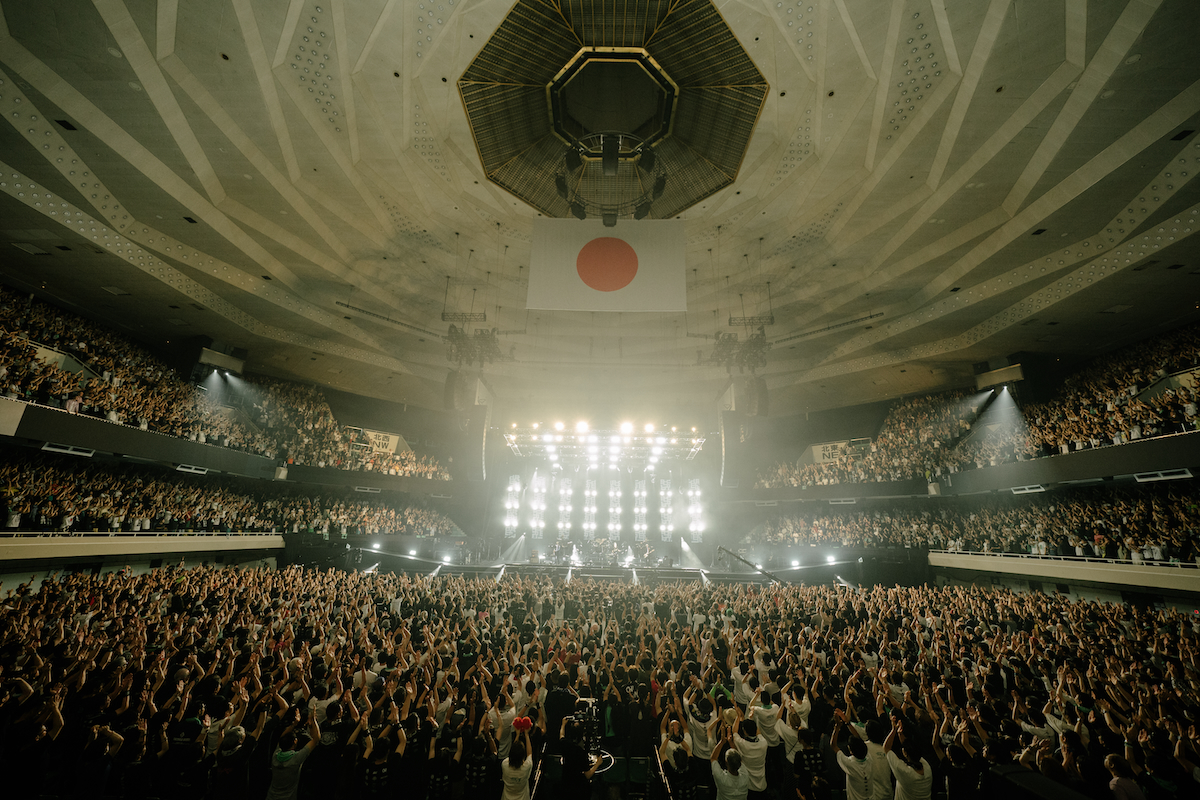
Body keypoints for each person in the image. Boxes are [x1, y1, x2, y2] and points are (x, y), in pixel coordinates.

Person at [265, 716, 320, 800]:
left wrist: (293, 725)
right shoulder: (296, 758)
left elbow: (282, 737)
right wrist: (313, 720)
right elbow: (316, 739)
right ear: (295, 742)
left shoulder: (276, 755)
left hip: (271, 796)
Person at [883, 720, 932, 800]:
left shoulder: (905, 772)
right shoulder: (927, 767)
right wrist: (900, 734)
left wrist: (894, 730)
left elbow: (886, 748)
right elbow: (912, 750)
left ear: (905, 753)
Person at [712, 729, 750, 800]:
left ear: (726, 762)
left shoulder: (721, 778)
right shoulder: (745, 775)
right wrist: (730, 742)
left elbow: (713, 758)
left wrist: (722, 742)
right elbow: (739, 759)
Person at [501, 721, 534, 800]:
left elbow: (513, 752)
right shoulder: (526, 767)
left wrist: (517, 734)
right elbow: (529, 753)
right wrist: (526, 734)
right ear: (523, 756)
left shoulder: (505, 764)